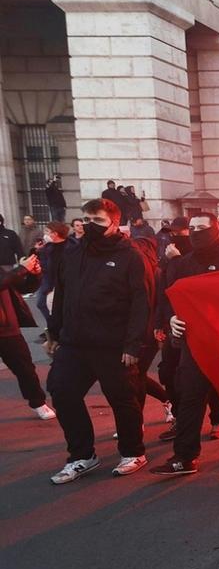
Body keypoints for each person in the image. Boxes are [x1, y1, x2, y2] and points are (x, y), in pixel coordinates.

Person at [46, 198, 153, 484]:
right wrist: (54, 333)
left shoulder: (130, 256)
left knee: (122, 398)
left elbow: (141, 302)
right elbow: (62, 295)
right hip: (74, 342)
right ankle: (82, 456)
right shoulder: (73, 252)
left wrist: (133, 344)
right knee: (62, 392)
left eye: (98, 221)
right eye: (86, 220)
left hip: (113, 344)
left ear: (114, 223)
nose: (89, 226)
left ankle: (133, 452)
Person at [151, 214, 219, 476]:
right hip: (194, 342)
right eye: (192, 228)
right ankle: (185, 456)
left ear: (215, 229)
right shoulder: (182, 263)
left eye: (201, 228)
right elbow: (170, 297)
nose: (195, 232)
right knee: (190, 397)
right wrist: (171, 319)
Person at [1, 253, 53, 419]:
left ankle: (38, 402)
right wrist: (22, 269)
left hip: (8, 328)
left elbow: (22, 287)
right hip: (7, 326)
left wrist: (34, 275)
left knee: (25, 369)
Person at [34, 221, 69, 329]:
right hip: (47, 280)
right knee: (41, 303)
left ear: (55, 233)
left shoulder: (69, 247)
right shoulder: (48, 247)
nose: (45, 234)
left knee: (59, 306)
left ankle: (59, 327)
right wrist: (36, 250)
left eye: (47, 231)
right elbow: (42, 263)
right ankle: (52, 326)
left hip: (60, 282)